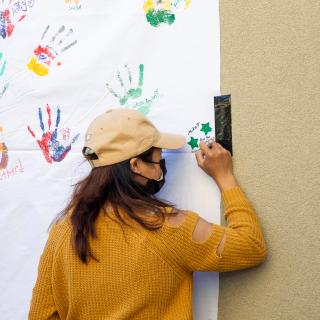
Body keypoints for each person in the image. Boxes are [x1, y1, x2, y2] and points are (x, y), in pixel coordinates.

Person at [28, 108, 267, 320]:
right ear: (135, 165)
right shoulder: (167, 227)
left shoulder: (63, 232)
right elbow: (251, 246)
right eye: (158, 160)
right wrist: (225, 177)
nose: (161, 168)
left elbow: (42, 315)